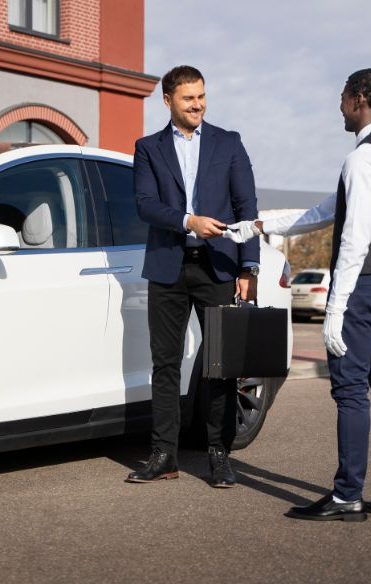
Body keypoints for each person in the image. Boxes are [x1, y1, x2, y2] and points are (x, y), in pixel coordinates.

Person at [224, 68, 371, 522]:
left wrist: (334, 308)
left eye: (341, 98)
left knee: (351, 389)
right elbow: (322, 213)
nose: (338, 107)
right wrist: (257, 226)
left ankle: (348, 495)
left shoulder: (361, 160)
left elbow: (353, 239)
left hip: (364, 285)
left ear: (357, 100)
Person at [127, 65, 260, 487]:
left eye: (201, 96)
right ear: (167, 101)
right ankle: (164, 455)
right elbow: (145, 204)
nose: (197, 104)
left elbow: (246, 207)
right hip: (168, 267)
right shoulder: (148, 147)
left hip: (217, 267)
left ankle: (219, 454)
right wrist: (188, 220)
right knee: (164, 364)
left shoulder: (229, 143)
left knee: (221, 366)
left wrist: (248, 265)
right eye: (188, 98)